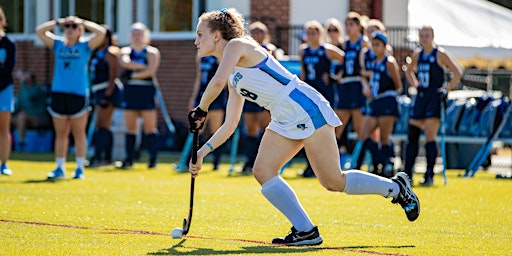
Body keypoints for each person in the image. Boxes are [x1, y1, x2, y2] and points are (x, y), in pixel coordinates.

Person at [188, 8, 420, 246]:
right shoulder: (232, 76)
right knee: (263, 171)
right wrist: (201, 153)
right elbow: (230, 124)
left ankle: (395, 187)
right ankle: (305, 230)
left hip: (304, 106)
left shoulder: (237, 45)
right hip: (283, 115)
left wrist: (201, 109)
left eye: (200, 34)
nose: (196, 41)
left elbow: (215, 83)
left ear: (217, 36)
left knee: (333, 181)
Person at [36, 16, 106, 179]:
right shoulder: (58, 44)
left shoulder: (85, 46)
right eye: (67, 26)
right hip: (59, 93)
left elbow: (101, 32)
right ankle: (60, 167)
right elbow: (39, 31)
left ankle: (79, 168)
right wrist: (59, 22)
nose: (70, 29)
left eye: (74, 27)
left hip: (79, 94)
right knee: (61, 134)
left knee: (79, 133)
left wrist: (82, 21)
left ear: (80, 30)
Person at [404, 26, 462, 186]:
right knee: (413, 135)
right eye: (421, 35)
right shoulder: (418, 54)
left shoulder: (440, 54)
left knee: (430, 135)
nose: (424, 38)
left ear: (433, 36)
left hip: (434, 98)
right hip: (421, 97)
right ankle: (407, 173)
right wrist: (415, 85)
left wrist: (446, 89)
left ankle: (429, 175)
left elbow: (457, 72)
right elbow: (408, 71)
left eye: (427, 35)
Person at [298, 20, 345, 177]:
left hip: (324, 94)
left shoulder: (326, 50)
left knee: (322, 130)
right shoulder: (303, 50)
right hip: (309, 93)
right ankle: (311, 165)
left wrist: (335, 76)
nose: (311, 36)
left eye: (314, 32)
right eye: (309, 33)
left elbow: (346, 60)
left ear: (320, 34)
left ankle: (325, 166)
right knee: (308, 129)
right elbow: (303, 73)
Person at [355, 32, 402, 177]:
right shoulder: (375, 62)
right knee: (363, 135)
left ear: (384, 46)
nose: (375, 48)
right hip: (376, 102)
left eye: (378, 45)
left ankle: (387, 165)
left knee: (384, 138)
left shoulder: (389, 61)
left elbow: (398, 85)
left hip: (387, 100)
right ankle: (382, 161)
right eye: (373, 45)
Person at [118, 22, 161, 169]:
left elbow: (151, 71)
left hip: (146, 91)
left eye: (140, 33)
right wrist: (141, 67)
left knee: (150, 128)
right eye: (134, 33)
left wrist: (133, 75)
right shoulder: (125, 50)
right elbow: (125, 62)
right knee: (130, 127)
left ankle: (152, 160)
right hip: (130, 92)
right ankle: (129, 159)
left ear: (145, 35)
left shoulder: (151, 52)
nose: (137, 36)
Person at [239, 21, 274, 175]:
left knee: (266, 129)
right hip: (249, 94)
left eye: (260, 31)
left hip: (263, 94)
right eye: (254, 31)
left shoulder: (269, 49)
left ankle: (267, 161)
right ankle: (250, 160)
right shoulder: (245, 51)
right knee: (250, 129)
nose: (257, 35)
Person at [335, 12, 369, 165]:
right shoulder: (345, 44)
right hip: (346, 86)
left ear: (358, 26)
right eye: (346, 24)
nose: (348, 28)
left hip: (357, 84)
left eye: (351, 24)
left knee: (359, 128)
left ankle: (360, 161)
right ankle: (334, 160)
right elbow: (344, 65)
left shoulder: (364, 43)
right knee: (337, 124)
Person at [87, 25, 120, 167]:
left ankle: (102, 158)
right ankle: (102, 157)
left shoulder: (110, 52)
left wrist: (107, 95)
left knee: (103, 125)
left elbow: (113, 75)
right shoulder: (95, 52)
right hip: (96, 91)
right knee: (100, 125)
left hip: (107, 91)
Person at [188, 55, 226, 170]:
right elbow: (198, 79)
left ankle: (216, 163)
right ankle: (190, 161)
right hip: (201, 97)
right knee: (197, 130)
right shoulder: (200, 57)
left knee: (215, 131)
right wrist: (193, 98)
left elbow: (223, 80)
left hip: (216, 98)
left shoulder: (221, 56)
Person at [12, 71, 52, 151]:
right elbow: (18, 104)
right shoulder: (23, 90)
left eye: (27, 77)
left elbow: (30, 96)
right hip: (24, 117)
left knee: (22, 117)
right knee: (6, 119)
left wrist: (22, 83)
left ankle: (21, 142)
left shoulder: (36, 89)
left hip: (39, 118)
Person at [0, 7, 15, 176]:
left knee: (4, 128)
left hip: (4, 88)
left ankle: (4, 163)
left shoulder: (9, 44)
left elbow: (8, 68)